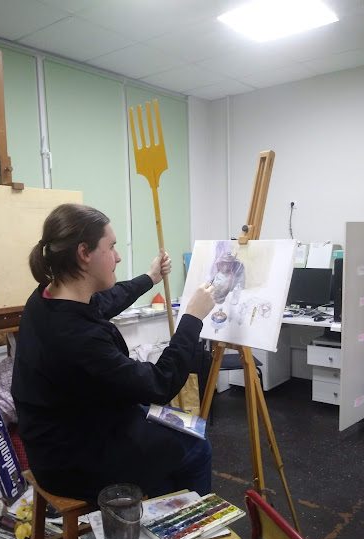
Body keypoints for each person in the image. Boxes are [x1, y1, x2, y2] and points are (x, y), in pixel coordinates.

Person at [11, 203, 215, 502]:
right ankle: (183, 523)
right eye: (112, 247)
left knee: (178, 426)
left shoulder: (48, 296)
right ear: (84, 253)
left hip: (66, 436)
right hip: (73, 461)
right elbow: (159, 384)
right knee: (197, 445)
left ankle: (158, 499)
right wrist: (192, 318)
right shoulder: (78, 336)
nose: (118, 256)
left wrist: (150, 277)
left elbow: (105, 301)